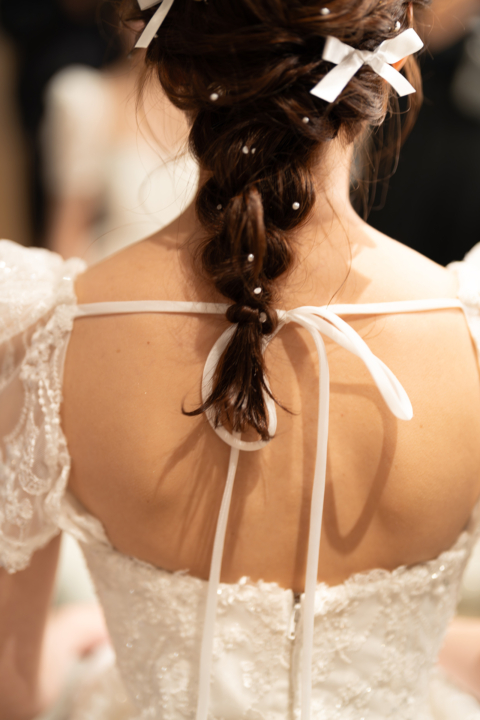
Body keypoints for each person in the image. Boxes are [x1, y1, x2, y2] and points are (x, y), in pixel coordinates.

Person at [1, 2, 480, 720]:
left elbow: (11, 690)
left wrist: (72, 638)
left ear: (171, 65)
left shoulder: (44, 335)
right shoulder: (467, 333)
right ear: (391, 63)